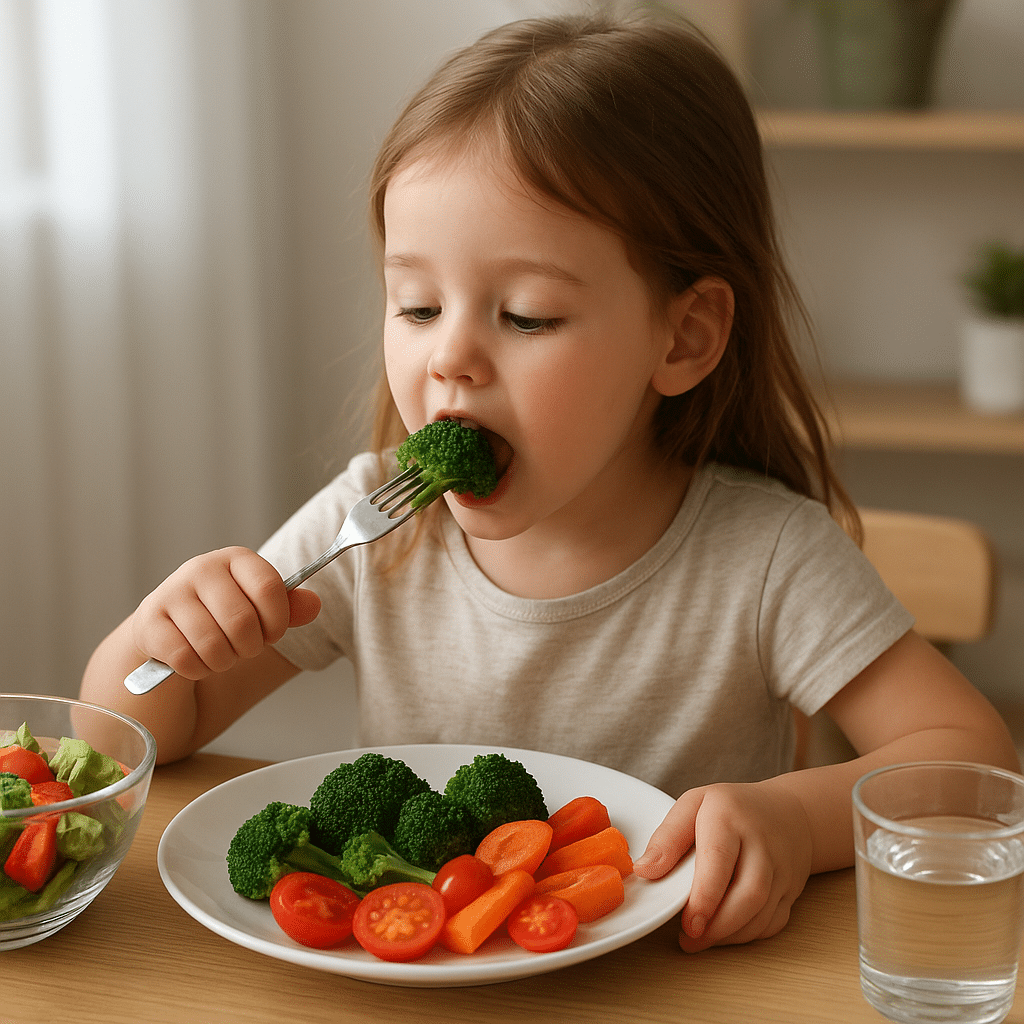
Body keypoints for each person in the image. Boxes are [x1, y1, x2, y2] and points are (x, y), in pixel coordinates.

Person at [80, 12, 1019, 953]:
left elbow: (970, 761)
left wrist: (793, 818)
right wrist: (161, 636)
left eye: (525, 316)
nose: (449, 356)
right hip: (426, 971)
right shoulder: (375, 525)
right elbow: (144, 730)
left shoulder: (766, 557)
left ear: (681, 337)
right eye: (415, 304)